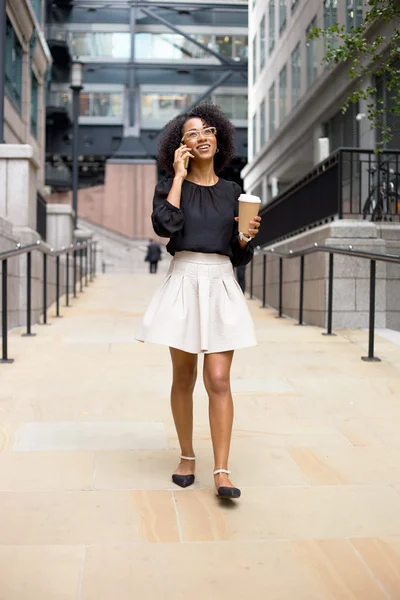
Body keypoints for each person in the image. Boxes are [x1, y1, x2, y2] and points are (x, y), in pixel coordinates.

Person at [136, 104, 261, 500]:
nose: (202, 136)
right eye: (192, 133)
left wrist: (244, 237)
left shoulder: (234, 193)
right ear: (181, 145)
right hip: (184, 281)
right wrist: (177, 176)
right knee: (184, 377)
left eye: (208, 130)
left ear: (218, 139)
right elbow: (165, 226)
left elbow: (238, 254)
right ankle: (187, 455)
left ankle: (222, 471)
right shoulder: (171, 186)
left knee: (219, 379)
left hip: (221, 282)